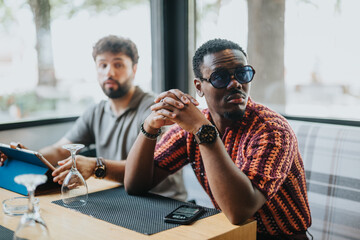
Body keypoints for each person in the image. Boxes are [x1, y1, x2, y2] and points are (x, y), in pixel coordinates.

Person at [124, 38, 312, 239]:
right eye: (220, 77)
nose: (235, 83)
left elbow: (239, 210)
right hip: (229, 234)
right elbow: (136, 185)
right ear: (199, 86)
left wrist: (203, 131)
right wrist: (149, 127)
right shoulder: (194, 126)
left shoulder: (272, 130)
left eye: (242, 73)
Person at [0, 35, 187, 201]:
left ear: (135, 69)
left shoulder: (156, 112)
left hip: (162, 202)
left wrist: (96, 165)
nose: (109, 73)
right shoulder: (96, 111)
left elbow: (149, 170)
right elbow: (59, 150)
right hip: (119, 198)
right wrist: (29, 155)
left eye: (118, 64)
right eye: (103, 65)